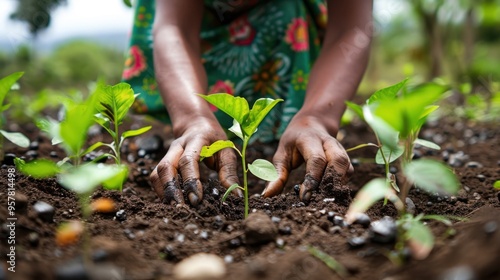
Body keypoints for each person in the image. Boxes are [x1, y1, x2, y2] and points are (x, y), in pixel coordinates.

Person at [122, 0, 373, 206]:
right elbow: (174, 27)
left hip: (285, 26)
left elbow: (351, 29)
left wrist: (317, 116)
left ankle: (286, 128)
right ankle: (204, 131)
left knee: (284, 9)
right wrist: (191, 118)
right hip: (190, 42)